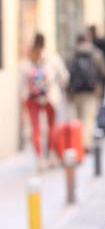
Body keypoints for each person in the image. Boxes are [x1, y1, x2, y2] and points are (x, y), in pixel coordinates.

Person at [19, 33, 69, 171]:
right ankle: (51, 155)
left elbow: (22, 83)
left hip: (32, 98)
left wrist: (23, 100)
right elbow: (64, 77)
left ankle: (40, 159)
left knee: (36, 129)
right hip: (50, 97)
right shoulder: (53, 58)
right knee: (52, 126)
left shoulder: (27, 61)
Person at [67, 32, 105, 152]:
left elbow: (68, 74)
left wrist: (69, 91)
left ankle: (78, 143)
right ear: (88, 41)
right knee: (89, 119)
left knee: (79, 118)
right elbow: (104, 71)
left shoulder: (72, 54)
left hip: (76, 91)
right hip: (93, 91)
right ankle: (85, 144)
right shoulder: (96, 53)